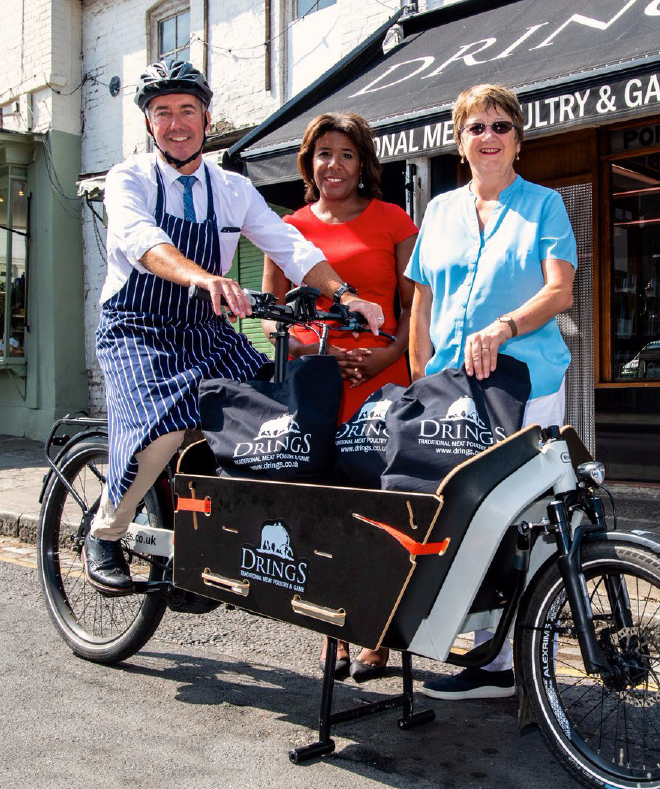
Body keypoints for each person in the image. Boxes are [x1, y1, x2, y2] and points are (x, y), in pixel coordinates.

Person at [85, 59, 384, 596]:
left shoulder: (232, 188)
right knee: (163, 428)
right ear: (149, 123)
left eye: (187, 111)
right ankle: (105, 531)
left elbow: (289, 246)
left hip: (205, 328)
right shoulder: (129, 179)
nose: (176, 124)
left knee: (275, 414)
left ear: (205, 116)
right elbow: (142, 242)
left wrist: (345, 295)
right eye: (162, 113)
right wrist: (205, 279)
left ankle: (211, 539)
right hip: (137, 328)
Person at [406, 84, 577, 700]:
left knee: (529, 518)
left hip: (527, 383)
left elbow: (561, 292)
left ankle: (519, 660)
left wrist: (504, 327)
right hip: (452, 391)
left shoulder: (545, 206)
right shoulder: (440, 211)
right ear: (460, 142)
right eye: (476, 126)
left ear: (519, 141)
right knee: (469, 515)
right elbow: (421, 300)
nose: (489, 136)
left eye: (502, 126)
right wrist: (417, 379)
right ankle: (487, 647)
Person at [262, 112, 417, 681]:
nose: (334, 164)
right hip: (317, 387)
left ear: (364, 164)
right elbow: (273, 317)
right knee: (322, 508)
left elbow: (414, 309)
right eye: (323, 153)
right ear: (309, 163)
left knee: (380, 509)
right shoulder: (289, 227)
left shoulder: (394, 222)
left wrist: (384, 356)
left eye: (347, 154)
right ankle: (335, 629)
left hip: (381, 382)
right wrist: (311, 352)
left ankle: (377, 633)